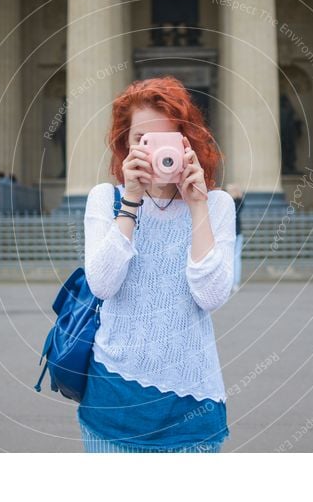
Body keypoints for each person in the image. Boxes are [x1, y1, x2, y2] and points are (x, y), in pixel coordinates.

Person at [77, 76, 235, 453]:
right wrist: (131, 202)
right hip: (112, 399)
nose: (153, 153)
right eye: (140, 141)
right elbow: (102, 284)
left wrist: (196, 203)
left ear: (187, 143)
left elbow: (211, 295)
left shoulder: (216, 205)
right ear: (125, 145)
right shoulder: (105, 200)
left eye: (165, 140)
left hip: (192, 407)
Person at [225, 183, 244, 293]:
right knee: (236, 258)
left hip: (231, 233)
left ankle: (231, 282)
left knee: (230, 259)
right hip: (238, 233)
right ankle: (235, 282)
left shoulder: (229, 203)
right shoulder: (240, 203)